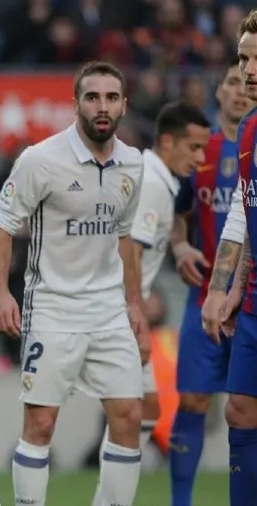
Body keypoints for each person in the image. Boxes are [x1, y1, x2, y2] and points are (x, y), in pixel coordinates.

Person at [0, 61, 148, 506]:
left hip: (109, 311)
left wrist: (134, 304)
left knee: (130, 417)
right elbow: (1, 226)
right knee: (40, 425)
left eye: (111, 97)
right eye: (92, 97)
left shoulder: (133, 164)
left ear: (123, 105)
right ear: (75, 103)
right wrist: (0, 292)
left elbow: (127, 237)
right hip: (52, 307)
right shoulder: (41, 160)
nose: (102, 106)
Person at [91, 101, 211, 504]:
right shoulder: (155, 184)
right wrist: (135, 311)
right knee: (133, 413)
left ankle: (107, 499)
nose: (199, 157)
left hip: (114, 306)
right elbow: (133, 250)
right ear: (167, 141)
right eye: (193, 148)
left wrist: (178, 244)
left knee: (141, 412)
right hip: (118, 311)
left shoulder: (154, 176)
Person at [168, 58, 254, 506]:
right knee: (195, 401)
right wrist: (181, 246)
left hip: (250, 297)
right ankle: (180, 500)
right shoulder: (200, 152)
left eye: (246, 82)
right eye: (232, 82)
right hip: (205, 295)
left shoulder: (253, 143)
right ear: (218, 92)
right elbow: (177, 217)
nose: (240, 90)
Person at [200, 10, 257, 505]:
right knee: (238, 410)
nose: (249, 70)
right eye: (243, 59)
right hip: (256, 300)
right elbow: (244, 210)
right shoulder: (249, 130)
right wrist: (224, 287)